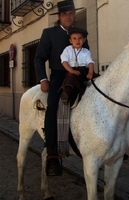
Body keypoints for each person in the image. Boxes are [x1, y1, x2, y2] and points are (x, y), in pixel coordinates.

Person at [34, 0, 89, 176]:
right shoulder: (49, 33)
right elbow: (39, 58)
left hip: (80, 75)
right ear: (59, 16)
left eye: (71, 13)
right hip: (59, 76)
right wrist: (43, 78)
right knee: (52, 107)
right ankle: (52, 154)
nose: (68, 16)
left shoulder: (79, 33)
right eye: (64, 14)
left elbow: (87, 56)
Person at [60, 27, 94, 104]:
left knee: (97, 78)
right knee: (71, 79)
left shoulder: (86, 51)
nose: (77, 40)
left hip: (84, 71)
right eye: (74, 38)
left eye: (80, 38)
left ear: (84, 40)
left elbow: (90, 62)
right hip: (72, 70)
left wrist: (90, 72)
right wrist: (72, 71)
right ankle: (66, 94)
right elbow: (64, 62)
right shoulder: (67, 49)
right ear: (70, 41)